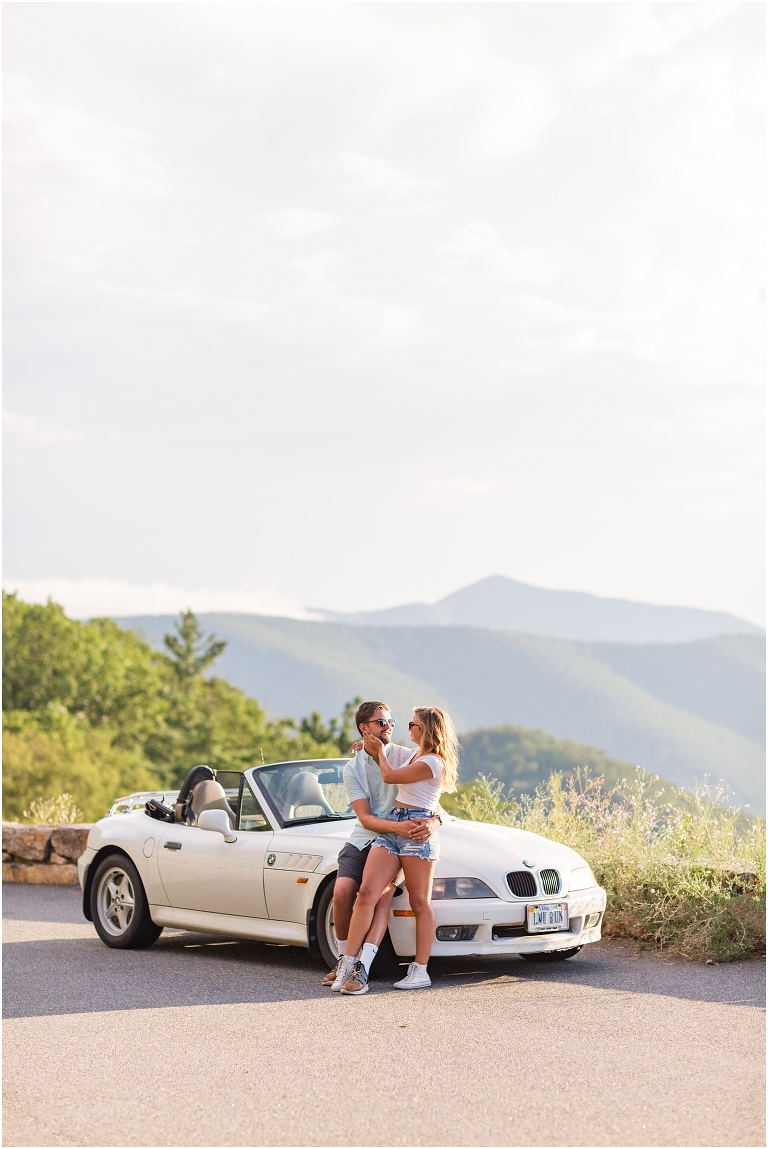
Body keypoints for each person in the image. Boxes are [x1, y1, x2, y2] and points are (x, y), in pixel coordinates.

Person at [339, 705, 459, 995]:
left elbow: (391, 778)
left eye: (410, 724)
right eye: (384, 722)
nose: (403, 728)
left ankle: (420, 970)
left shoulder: (431, 761)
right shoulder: (414, 754)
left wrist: (435, 820)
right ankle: (348, 963)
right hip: (392, 827)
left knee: (420, 903)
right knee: (367, 892)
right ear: (365, 728)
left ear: (426, 729)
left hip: (416, 831)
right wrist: (369, 749)